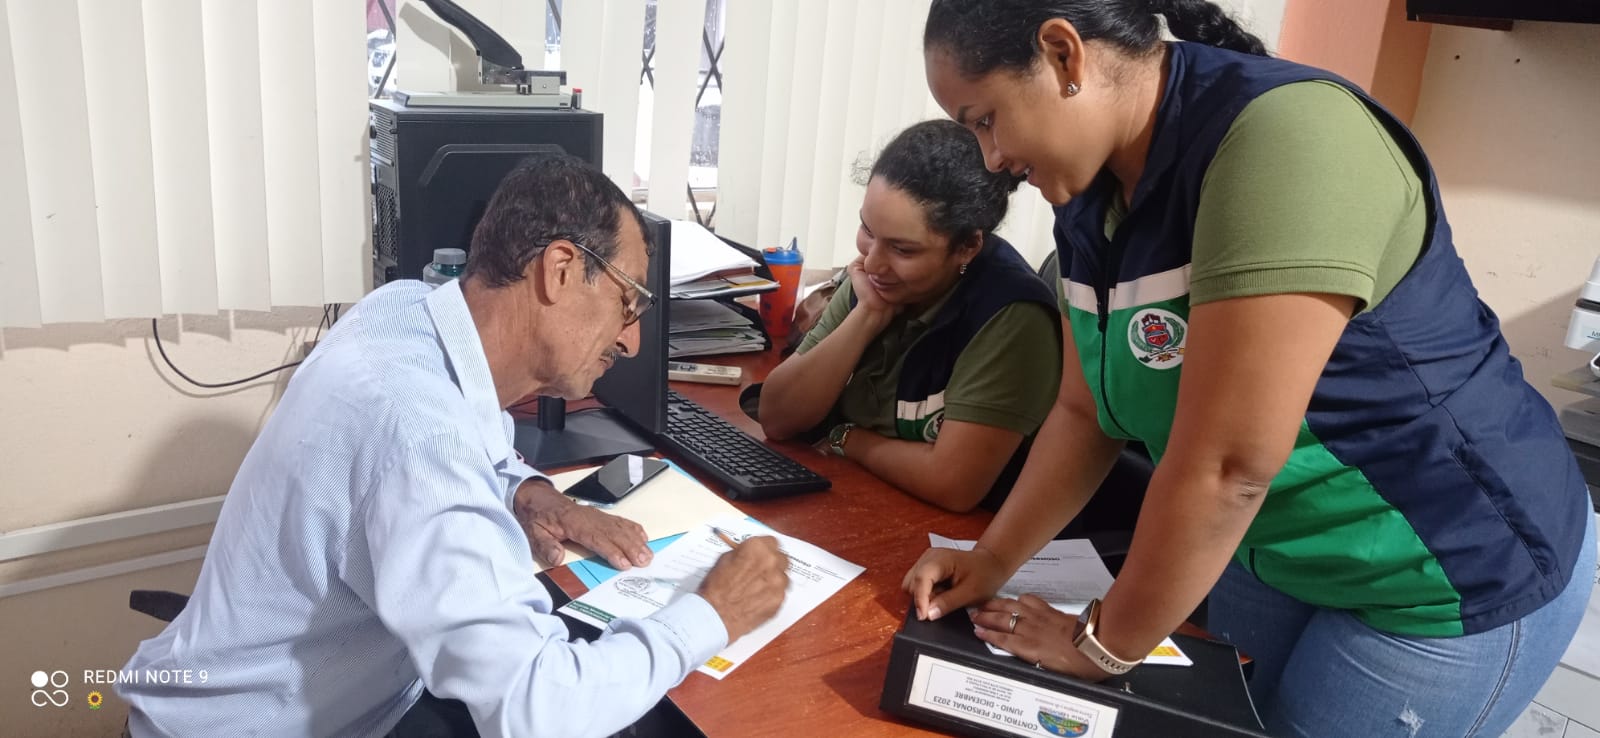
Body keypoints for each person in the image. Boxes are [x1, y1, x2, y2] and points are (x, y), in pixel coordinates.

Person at [901, 2, 1597, 736]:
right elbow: (1085, 411)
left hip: (1442, 569)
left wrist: (1102, 646)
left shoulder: (1291, 141)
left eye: (986, 120)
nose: (991, 159)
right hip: (1272, 547)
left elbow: (1229, 468)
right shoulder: (1092, 191)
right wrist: (995, 557)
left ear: (1063, 54)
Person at [118, 154, 790, 738]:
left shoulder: (405, 312)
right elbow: (536, 709)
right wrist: (711, 615)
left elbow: (476, 446)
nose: (632, 340)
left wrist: (532, 494)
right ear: (560, 270)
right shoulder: (418, 434)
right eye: (630, 303)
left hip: (345, 690)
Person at [757, 119, 1064, 513]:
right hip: (860, 500)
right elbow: (777, 417)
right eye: (868, 230)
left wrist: (846, 438)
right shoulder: (877, 280)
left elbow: (953, 483)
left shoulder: (1013, 315)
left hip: (951, 532)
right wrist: (867, 316)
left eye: (903, 250)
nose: (872, 262)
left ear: (968, 246)